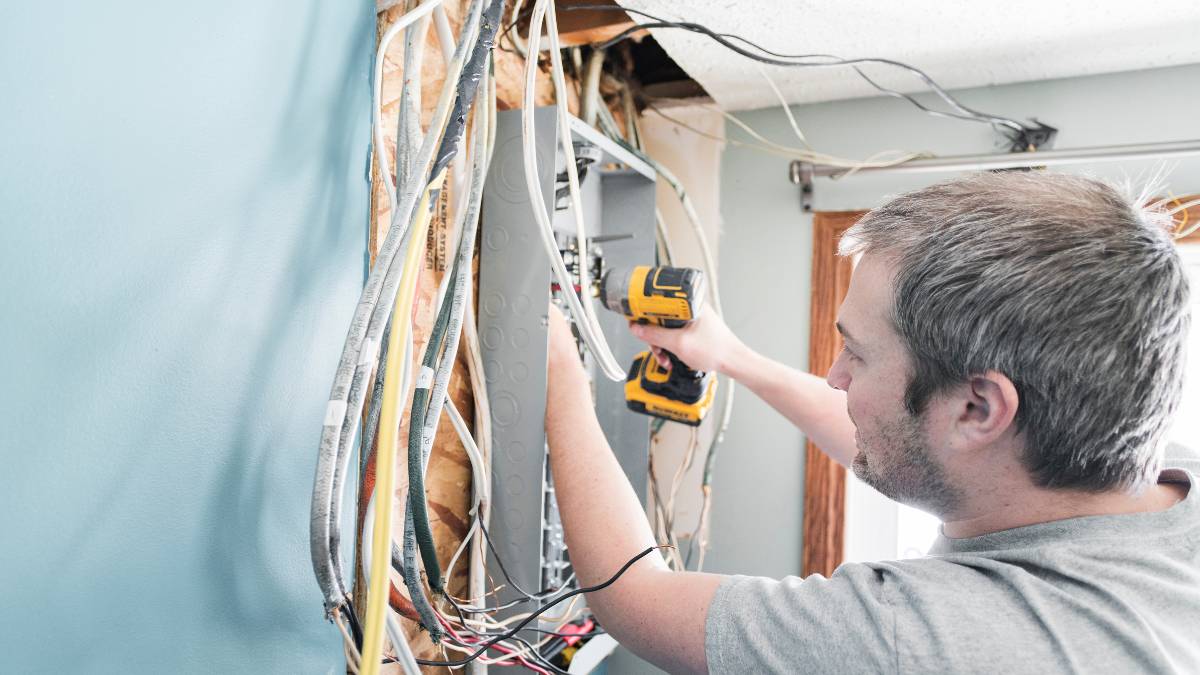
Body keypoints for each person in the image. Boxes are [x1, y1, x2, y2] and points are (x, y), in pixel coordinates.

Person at [542, 171, 1200, 674]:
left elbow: (631, 595)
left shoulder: (931, 642)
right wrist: (735, 359)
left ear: (978, 408)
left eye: (856, 352)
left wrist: (559, 379)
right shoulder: (1133, 459)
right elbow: (916, 436)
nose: (836, 375)